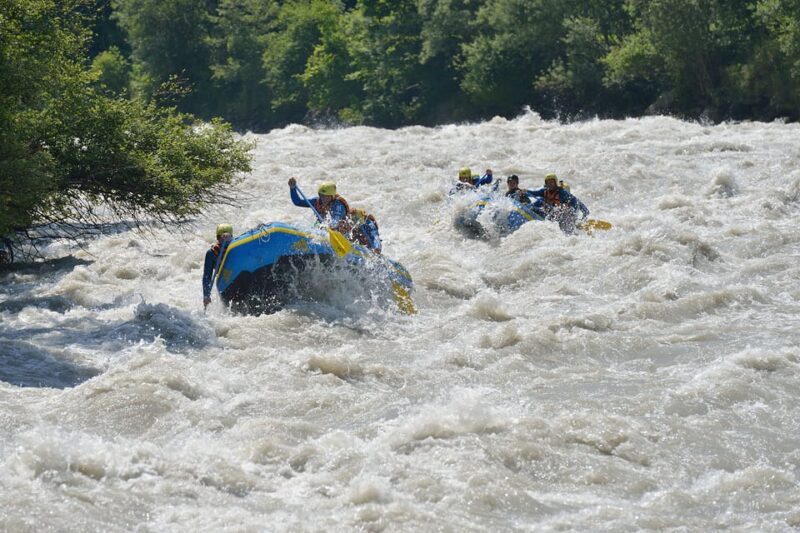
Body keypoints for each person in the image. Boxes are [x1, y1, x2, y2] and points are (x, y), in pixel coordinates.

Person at [203, 223, 233, 309]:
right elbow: (207, 276)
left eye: (228, 237)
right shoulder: (211, 253)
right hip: (225, 282)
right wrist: (206, 295)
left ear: (231, 237)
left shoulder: (236, 247)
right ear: (217, 238)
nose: (225, 240)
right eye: (221, 237)